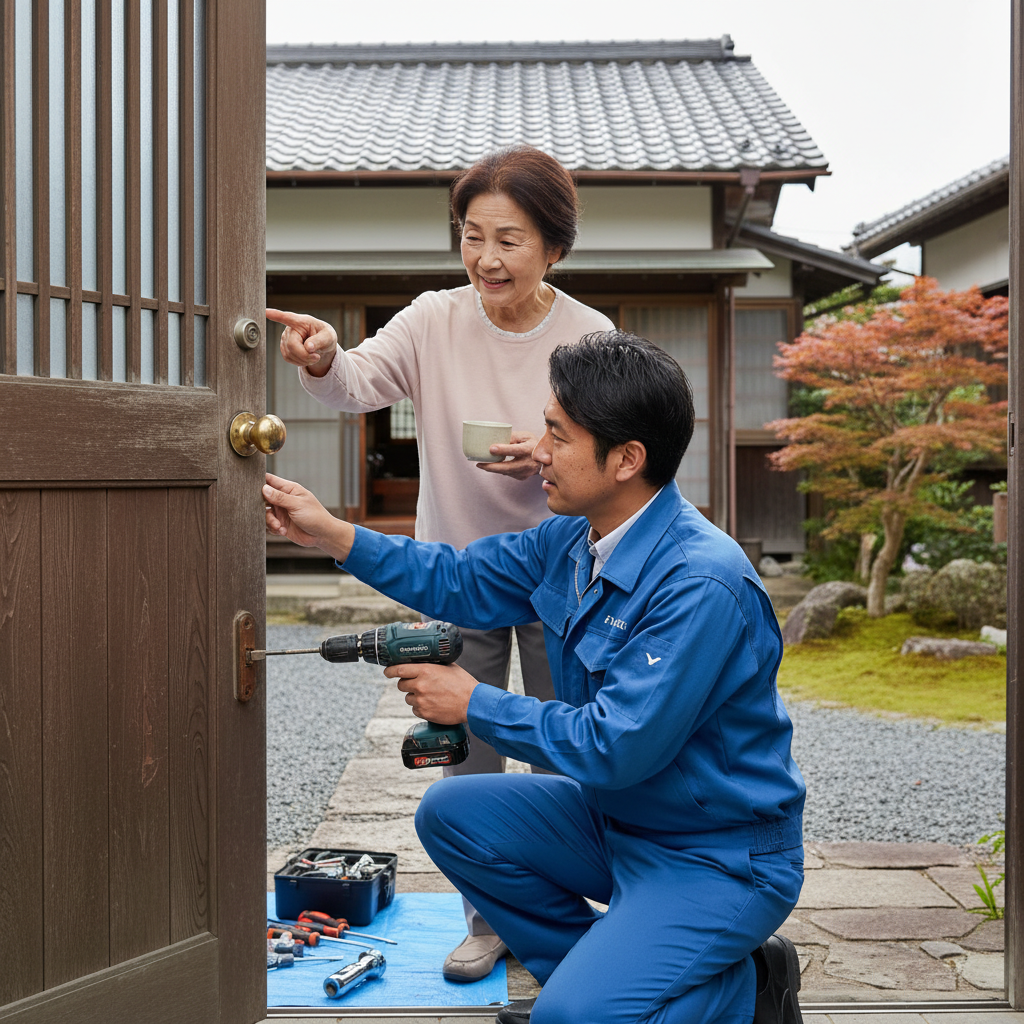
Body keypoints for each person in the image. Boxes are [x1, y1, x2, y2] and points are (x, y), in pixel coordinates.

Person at [262, 331, 806, 1024]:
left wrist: (473, 703)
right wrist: (332, 533)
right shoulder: (574, 538)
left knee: (571, 1019)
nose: (538, 451)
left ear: (626, 459)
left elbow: (616, 745)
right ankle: (596, 980)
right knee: (452, 815)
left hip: (716, 855)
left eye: (558, 434)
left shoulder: (701, 582)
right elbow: (459, 579)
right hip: (620, 822)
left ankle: (746, 989)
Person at [266, 145, 614, 982]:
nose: (486, 258)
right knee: (466, 755)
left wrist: (550, 453)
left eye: (509, 240)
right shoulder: (432, 317)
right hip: (458, 570)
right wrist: (324, 356)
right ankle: (489, 922)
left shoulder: (590, 334)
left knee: (564, 749)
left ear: (554, 247)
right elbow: (357, 382)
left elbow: (611, 453)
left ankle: (574, 916)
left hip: (565, 573)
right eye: (472, 236)